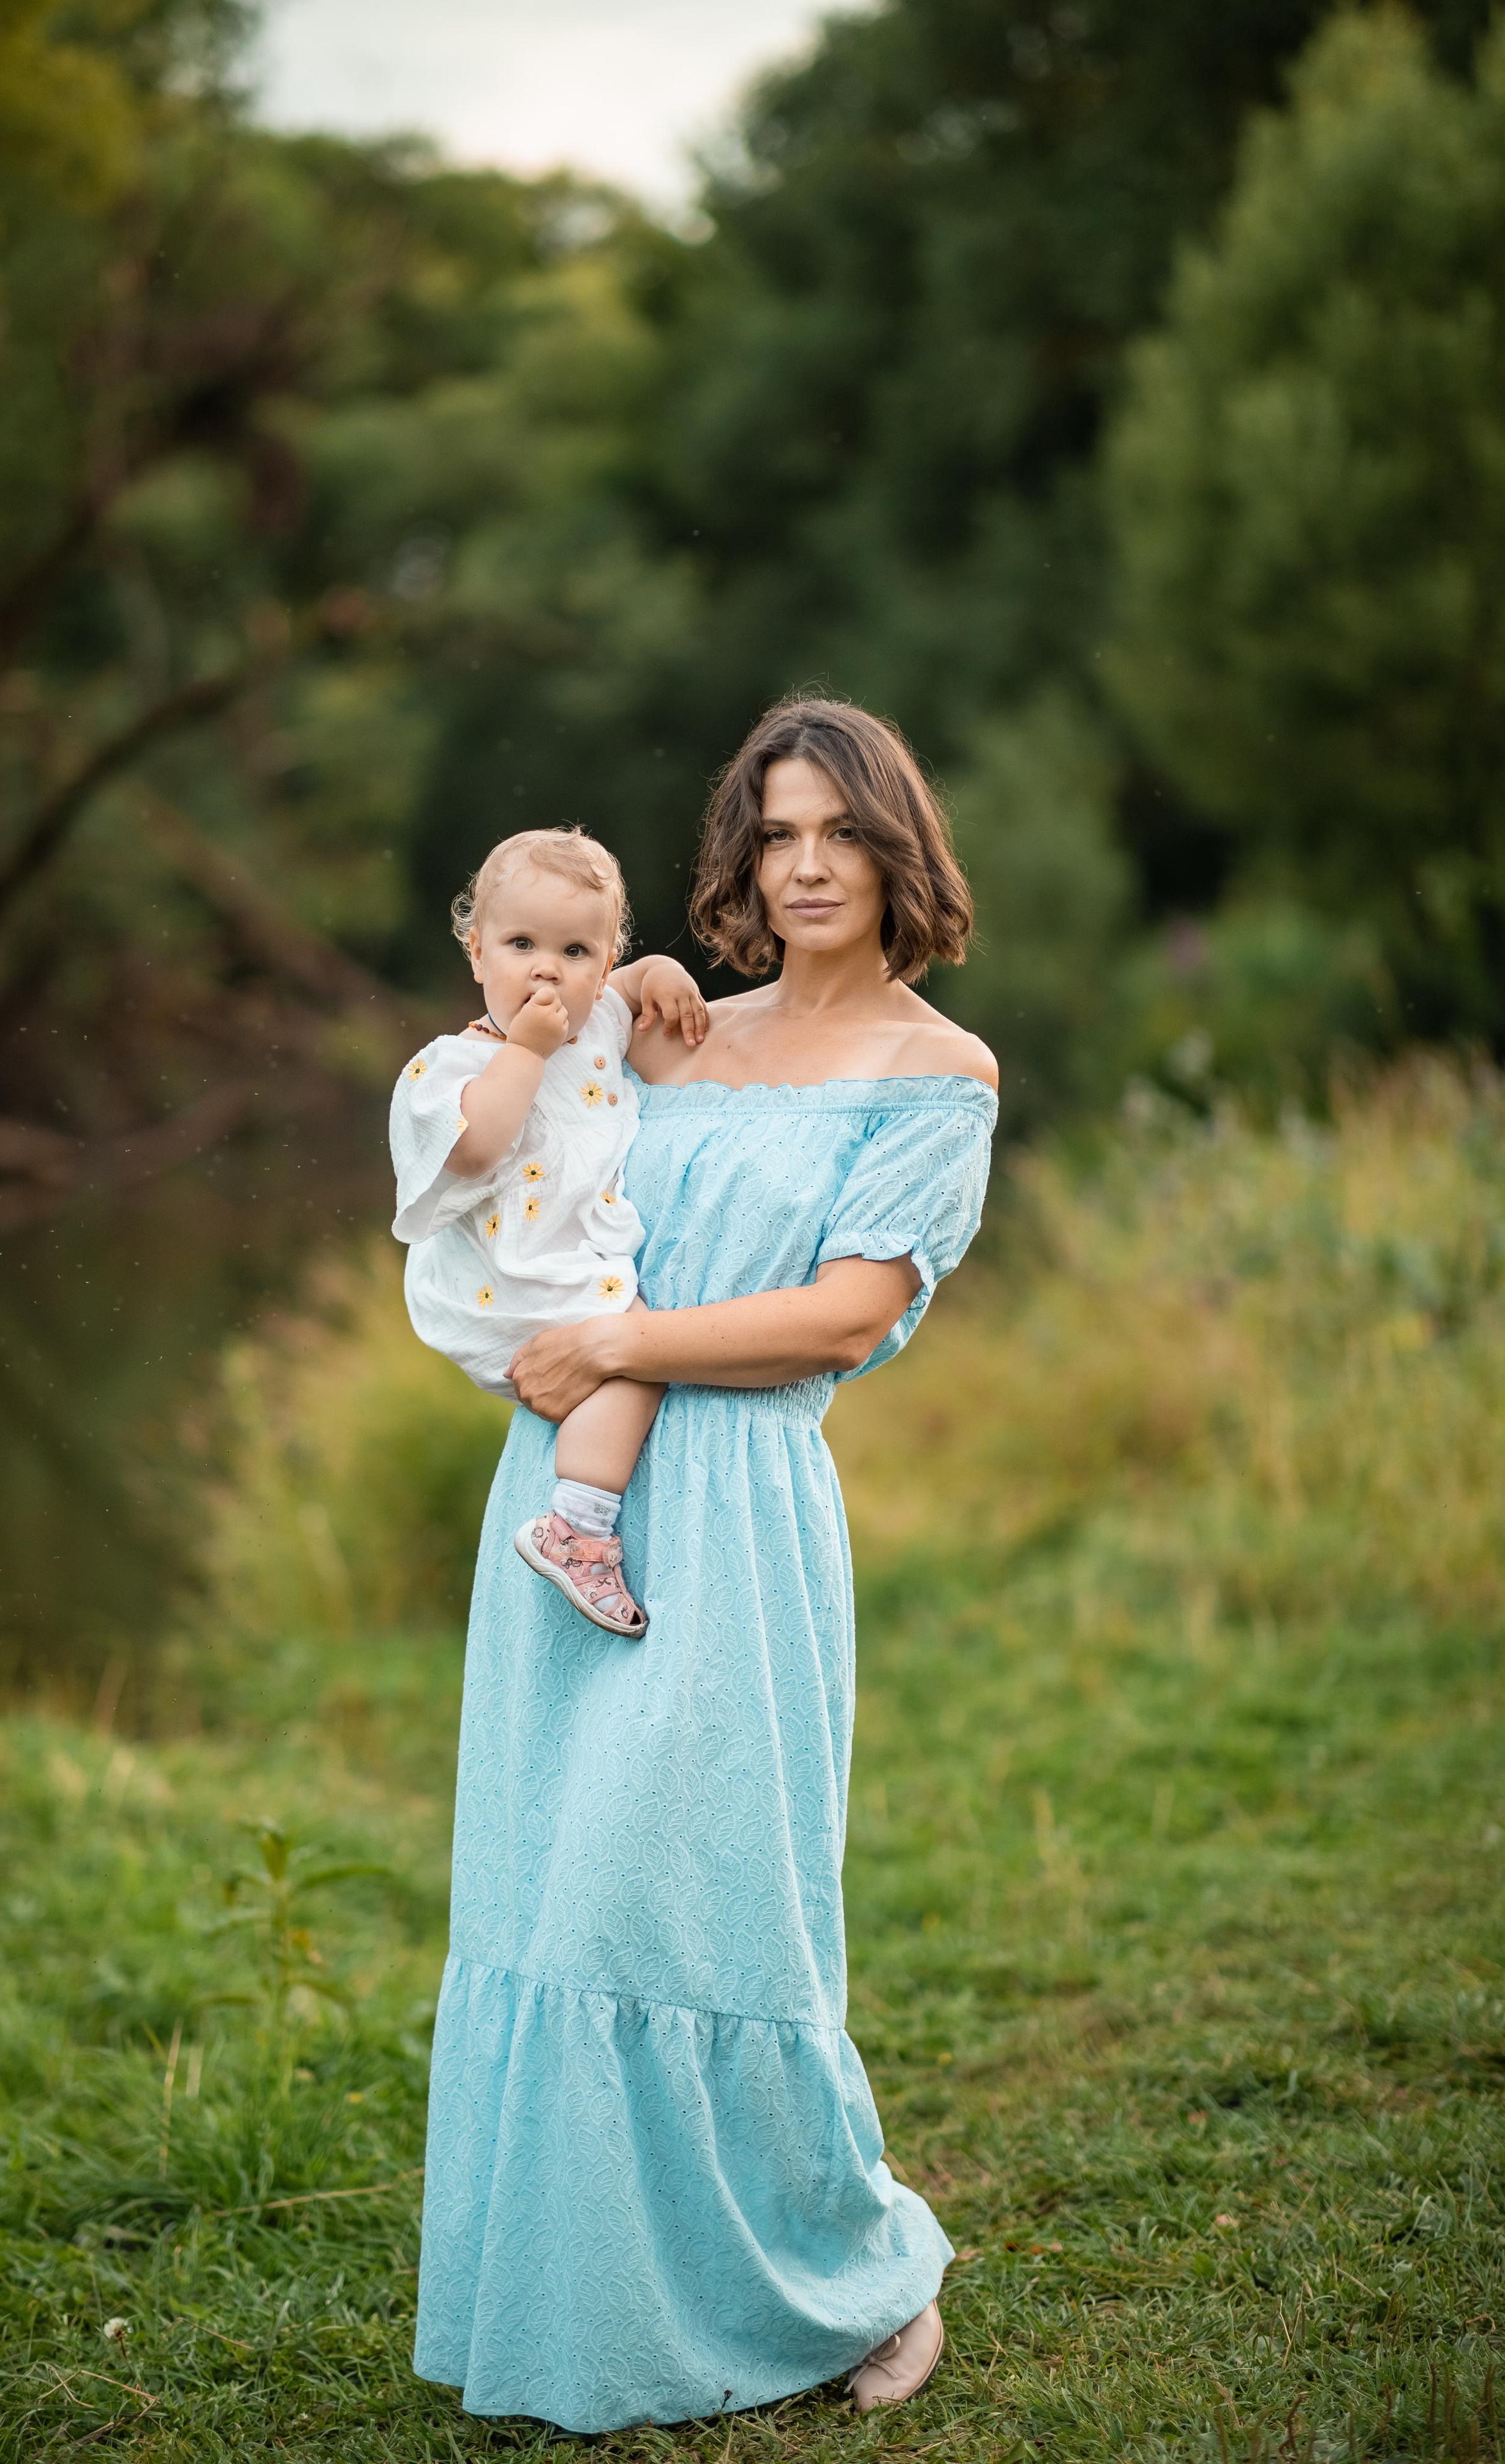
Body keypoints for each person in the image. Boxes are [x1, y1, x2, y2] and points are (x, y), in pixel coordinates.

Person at [411, 696, 999, 2431]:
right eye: (775, 831)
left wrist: (625, 1349)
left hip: (732, 1503)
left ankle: (849, 2274)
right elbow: (512, 1144)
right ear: (740, 853)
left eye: (840, 831)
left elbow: (846, 1311)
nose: (805, 865)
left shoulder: (940, 1073)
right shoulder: (660, 1026)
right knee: (552, 1888)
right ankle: (580, 2298)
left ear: (900, 851)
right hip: (569, 1490)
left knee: (705, 1902)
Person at [389, 828, 707, 1634]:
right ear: (476, 954)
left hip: (570, 1262)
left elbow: (630, 987)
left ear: (600, 969)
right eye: (521, 943)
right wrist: (526, 1051)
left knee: (641, 1353)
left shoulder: (598, 1015)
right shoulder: (450, 1067)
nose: (545, 968)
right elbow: (479, 1147)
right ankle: (578, 1527)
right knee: (643, 1355)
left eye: (574, 951)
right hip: (508, 1279)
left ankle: (585, 1515)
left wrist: (657, 974)